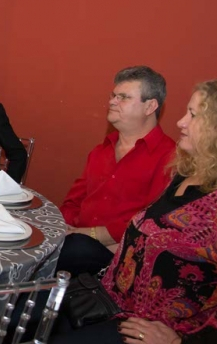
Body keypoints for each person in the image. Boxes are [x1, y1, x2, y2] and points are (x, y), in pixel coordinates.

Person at [39, 80, 217, 344]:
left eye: (193, 115)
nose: (181, 122)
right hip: (109, 304)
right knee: (26, 327)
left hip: (160, 333)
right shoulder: (186, 177)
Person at [57, 66, 176, 276]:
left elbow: (151, 222)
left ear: (150, 106)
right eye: (113, 95)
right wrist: (64, 228)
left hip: (122, 258)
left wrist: (89, 234)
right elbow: (73, 202)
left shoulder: (169, 157)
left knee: (73, 249)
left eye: (124, 97)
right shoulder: (100, 151)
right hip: (76, 243)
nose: (112, 101)